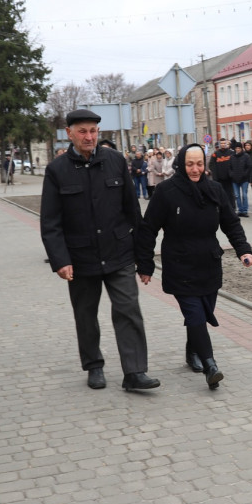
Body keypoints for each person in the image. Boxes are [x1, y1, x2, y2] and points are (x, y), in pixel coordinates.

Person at [40, 109, 159, 392]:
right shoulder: (57, 170)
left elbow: (133, 212)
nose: (89, 137)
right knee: (85, 314)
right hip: (80, 258)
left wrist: (144, 260)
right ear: (69, 134)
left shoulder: (115, 161)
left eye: (93, 131)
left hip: (119, 252)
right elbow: (51, 222)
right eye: (82, 131)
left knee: (129, 310)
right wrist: (60, 260)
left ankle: (135, 372)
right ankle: (94, 366)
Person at [137, 145, 252, 389]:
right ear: (181, 163)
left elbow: (230, 223)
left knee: (202, 311)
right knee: (195, 313)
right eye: (190, 164)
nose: (195, 169)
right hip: (179, 262)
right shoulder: (166, 191)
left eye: (199, 164)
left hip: (209, 261)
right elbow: (148, 229)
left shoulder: (214, 189)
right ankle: (210, 365)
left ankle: (192, 353)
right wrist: (145, 264)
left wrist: (243, 249)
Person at [229, 141, 252, 216]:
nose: (238, 149)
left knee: (244, 195)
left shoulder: (246, 156)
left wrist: (245, 174)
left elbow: (249, 167)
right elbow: (229, 168)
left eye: (239, 148)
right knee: (237, 195)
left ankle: (245, 210)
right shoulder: (232, 157)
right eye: (236, 148)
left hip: (244, 179)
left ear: (241, 148)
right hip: (234, 180)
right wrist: (231, 175)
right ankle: (240, 210)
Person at [210, 138, 234, 203]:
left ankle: (232, 208)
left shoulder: (231, 153)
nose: (223, 145)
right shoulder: (215, 154)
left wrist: (232, 174)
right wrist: (215, 176)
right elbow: (212, 165)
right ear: (219, 144)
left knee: (230, 195)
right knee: (220, 194)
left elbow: (234, 164)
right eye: (221, 143)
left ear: (226, 144)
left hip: (229, 178)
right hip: (219, 179)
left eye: (224, 143)